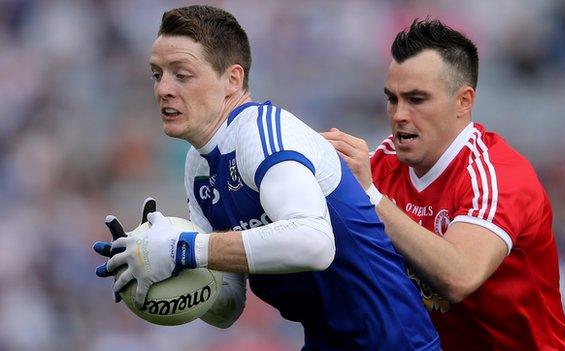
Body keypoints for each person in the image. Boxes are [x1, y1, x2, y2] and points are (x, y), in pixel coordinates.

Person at [92, 5, 440, 351]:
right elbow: (227, 305)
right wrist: (162, 274)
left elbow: (314, 243)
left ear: (233, 79)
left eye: (182, 74)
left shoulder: (260, 133)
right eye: (157, 74)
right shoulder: (197, 167)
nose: (163, 89)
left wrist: (183, 248)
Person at [323, 19, 565, 350]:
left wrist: (369, 198)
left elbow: (460, 276)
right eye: (392, 99)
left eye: (416, 99)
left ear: (463, 101)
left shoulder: (498, 176)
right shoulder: (380, 166)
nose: (399, 114)